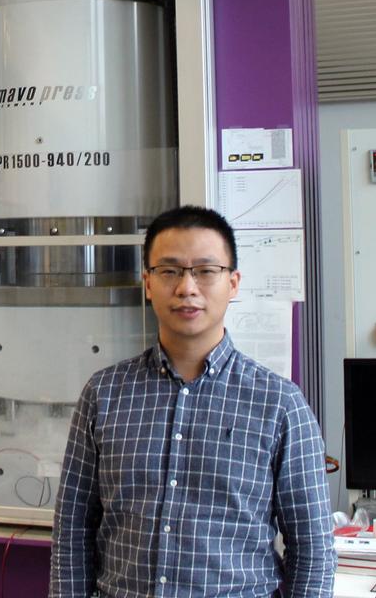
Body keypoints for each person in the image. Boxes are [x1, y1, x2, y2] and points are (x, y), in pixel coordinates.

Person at [49, 205, 334, 597]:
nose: (187, 288)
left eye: (205, 270)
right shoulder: (104, 393)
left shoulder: (280, 404)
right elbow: (72, 531)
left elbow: (313, 549)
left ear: (233, 283)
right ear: (147, 283)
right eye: (169, 271)